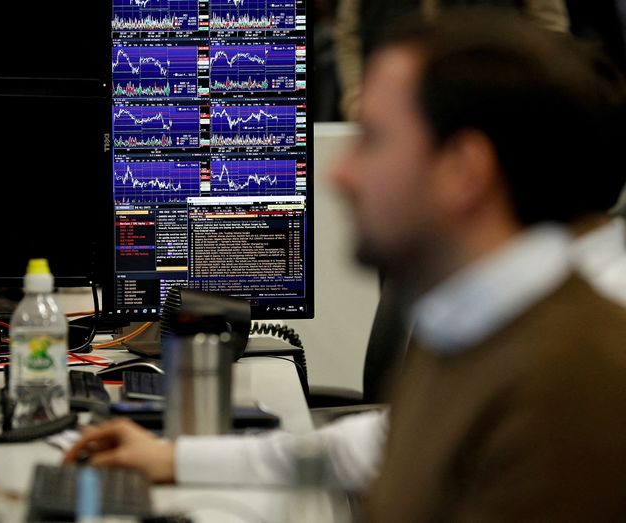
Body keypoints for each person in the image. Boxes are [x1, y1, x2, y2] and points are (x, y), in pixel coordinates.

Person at [66, 9, 626, 520]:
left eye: (375, 140)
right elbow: (372, 445)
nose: (340, 175)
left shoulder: (569, 389)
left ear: (463, 171)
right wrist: (176, 458)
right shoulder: (473, 319)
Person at [333, 0, 570, 119]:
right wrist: (358, 96)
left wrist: (536, 96)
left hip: (501, 108)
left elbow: (550, 30)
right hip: (401, 110)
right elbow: (349, 34)